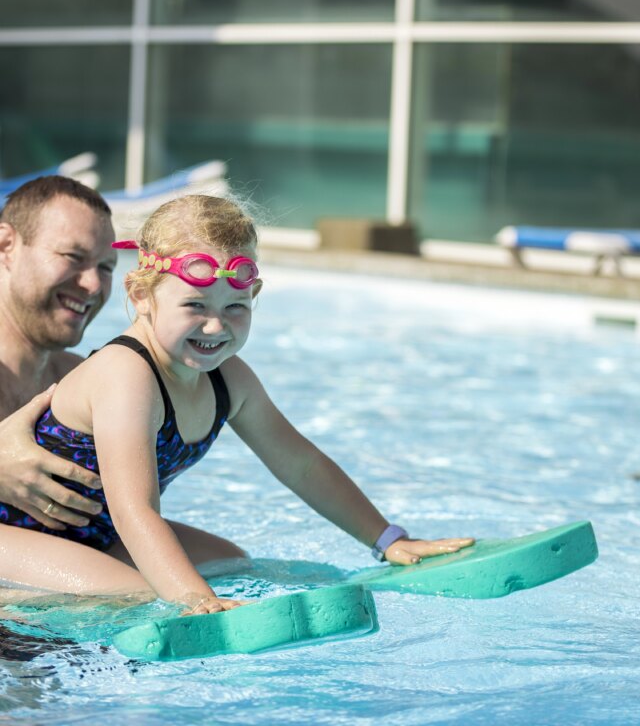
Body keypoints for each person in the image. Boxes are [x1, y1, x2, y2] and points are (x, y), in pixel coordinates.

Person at [0, 194, 473, 615]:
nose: (215, 327)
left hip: (93, 530)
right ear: (141, 295)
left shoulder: (229, 379)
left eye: (235, 308)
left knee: (233, 564)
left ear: (255, 297)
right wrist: (195, 600)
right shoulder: (127, 375)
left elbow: (301, 464)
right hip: (17, 532)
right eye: (195, 306)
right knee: (143, 597)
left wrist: (388, 539)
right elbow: (135, 510)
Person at [0, 176, 115, 530]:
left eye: (106, 267)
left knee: (228, 561)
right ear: (6, 245)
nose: (93, 284)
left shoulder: (77, 381)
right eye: (73, 256)